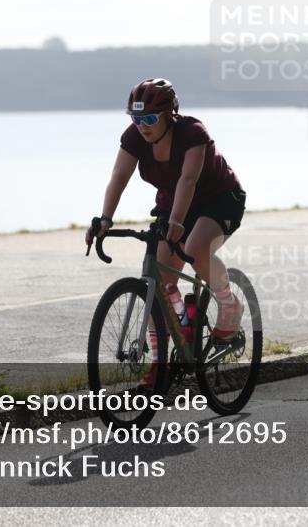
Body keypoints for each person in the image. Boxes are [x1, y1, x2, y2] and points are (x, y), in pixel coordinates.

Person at [85, 78, 248, 382]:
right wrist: (105, 218)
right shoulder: (134, 137)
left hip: (219, 199)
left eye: (149, 118)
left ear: (170, 114)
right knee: (160, 280)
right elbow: (119, 176)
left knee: (196, 249)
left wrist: (176, 223)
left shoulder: (193, 133)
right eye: (136, 119)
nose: (142, 126)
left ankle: (229, 303)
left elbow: (188, 180)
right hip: (173, 203)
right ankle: (165, 354)